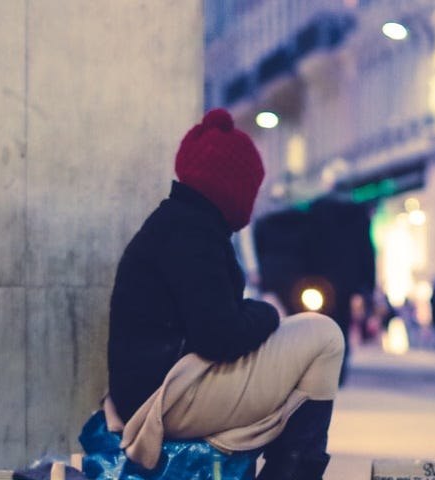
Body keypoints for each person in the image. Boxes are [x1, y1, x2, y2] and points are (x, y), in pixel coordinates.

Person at [106, 109, 344, 479]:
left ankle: (291, 467)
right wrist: (267, 314)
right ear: (232, 184)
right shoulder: (191, 232)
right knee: (324, 336)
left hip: (161, 386)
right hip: (163, 398)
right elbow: (220, 335)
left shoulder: (181, 222)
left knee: (306, 343)